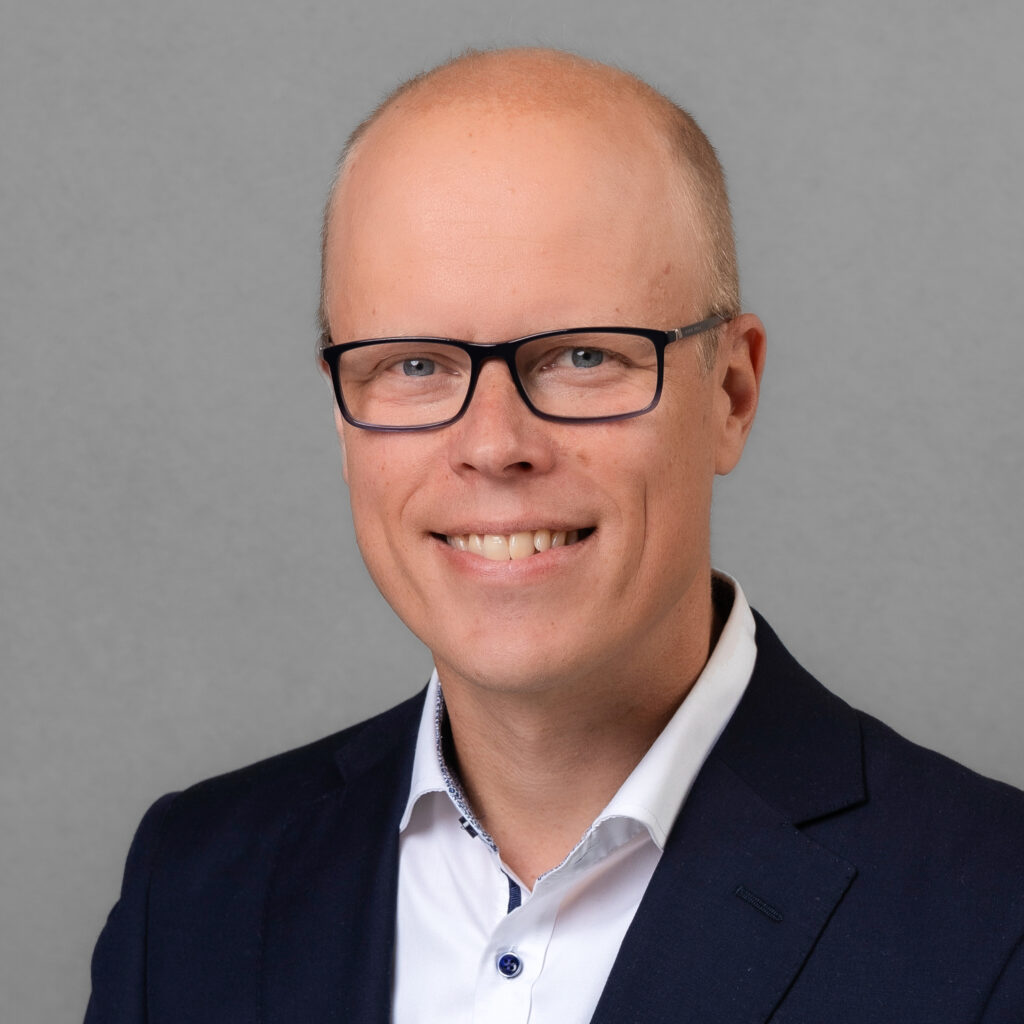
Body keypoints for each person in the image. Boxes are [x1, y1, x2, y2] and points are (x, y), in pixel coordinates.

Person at [85, 48, 1024, 1023]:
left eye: (582, 356)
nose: (494, 445)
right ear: (340, 413)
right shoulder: (191, 890)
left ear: (731, 394)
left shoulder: (996, 921)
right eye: (415, 365)